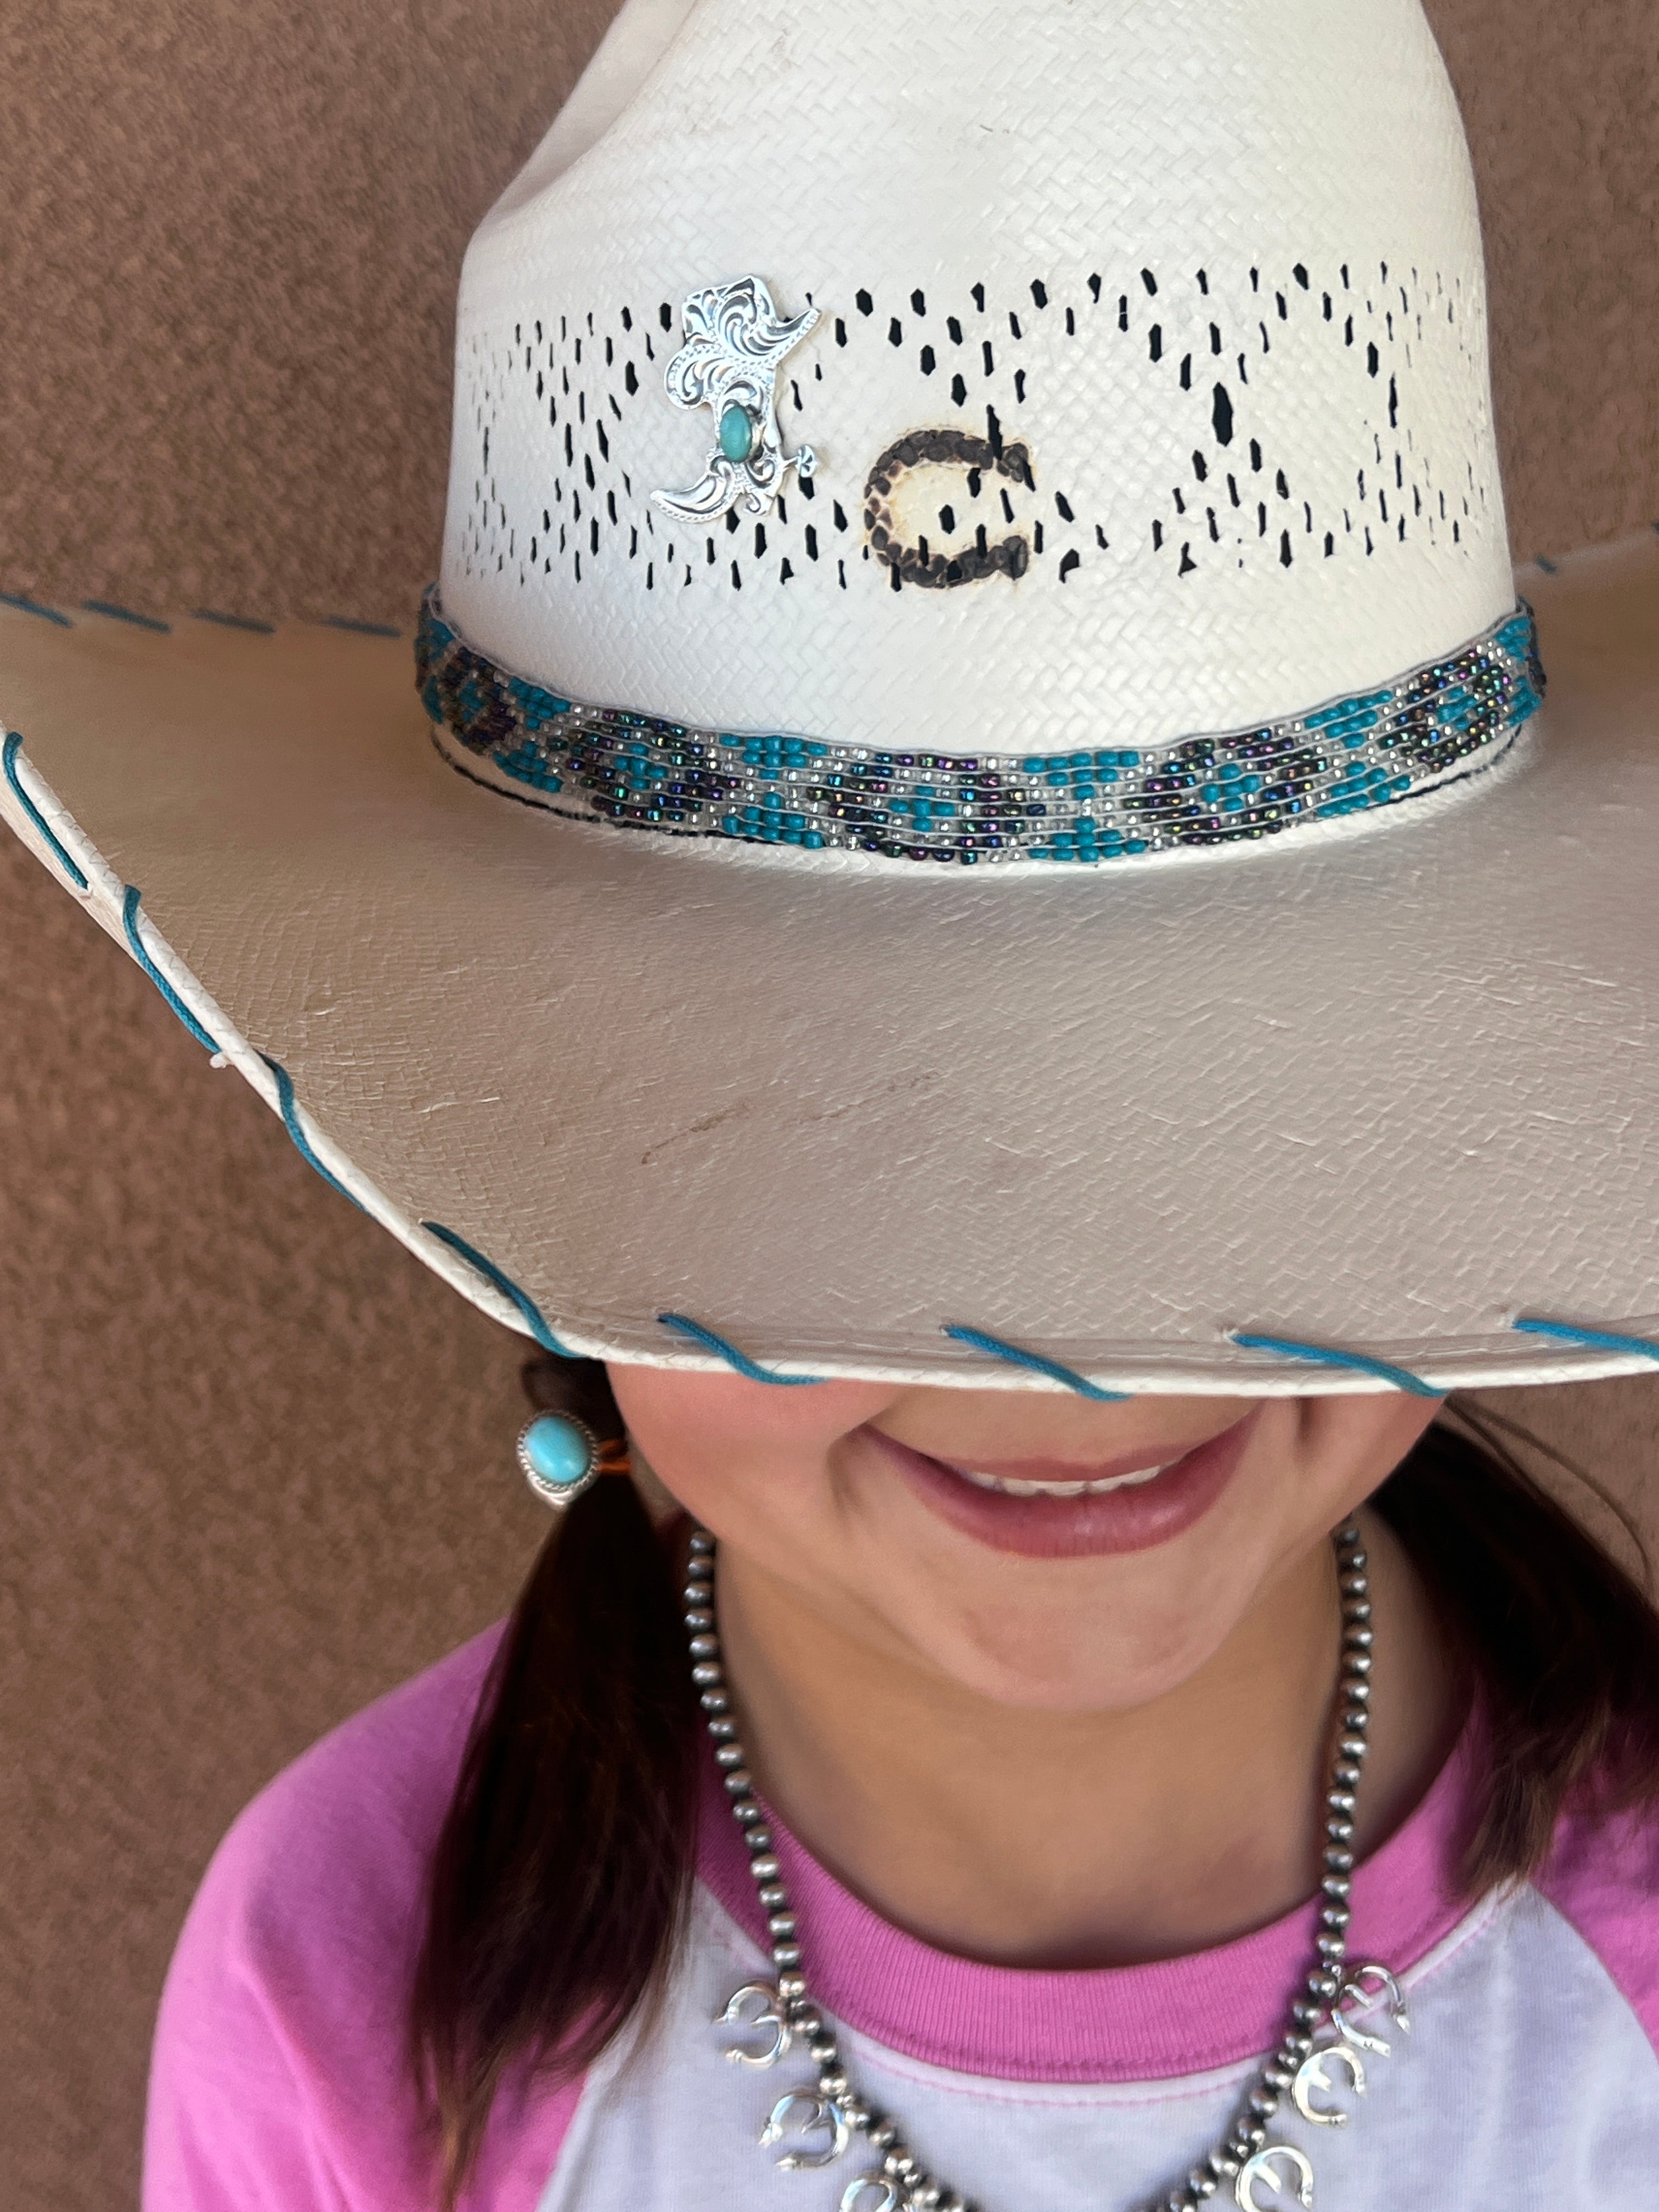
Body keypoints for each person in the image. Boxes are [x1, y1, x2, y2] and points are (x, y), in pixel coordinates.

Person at [4, 1, 1658, 2205]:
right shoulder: (360, 1988)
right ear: (516, 1144)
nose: (1078, 1362)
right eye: (834, 1152)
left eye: (1260, 1137)